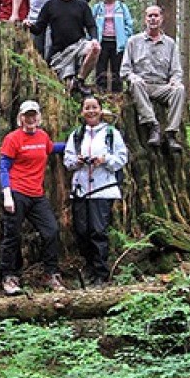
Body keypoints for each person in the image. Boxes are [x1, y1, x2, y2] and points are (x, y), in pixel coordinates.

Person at [0, 100, 67, 296]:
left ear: (39, 117)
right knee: (12, 235)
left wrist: (73, 144)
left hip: (36, 195)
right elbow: (4, 167)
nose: (31, 119)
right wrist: (7, 194)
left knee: (51, 231)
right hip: (17, 192)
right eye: (27, 116)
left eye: (34, 115)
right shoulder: (13, 138)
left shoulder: (42, 136)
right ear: (21, 118)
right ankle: (9, 277)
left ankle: (50, 274)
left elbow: (51, 148)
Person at [64, 96, 128, 287]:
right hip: (81, 190)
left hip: (103, 189)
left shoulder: (111, 133)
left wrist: (105, 160)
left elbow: (122, 158)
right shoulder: (76, 135)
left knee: (98, 232)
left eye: (94, 107)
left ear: (100, 110)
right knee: (81, 231)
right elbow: (68, 161)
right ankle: (89, 269)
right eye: (87, 108)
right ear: (82, 112)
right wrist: (78, 161)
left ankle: (101, 274)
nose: (91, 111)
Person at [120, 5, 185, 152]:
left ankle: (171, 133)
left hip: (162, 86)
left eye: (156, 16)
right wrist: (133, 77)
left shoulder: (170, 44)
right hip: (142, 86)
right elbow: (124, 70)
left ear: (161, 19)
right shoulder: (133, 41)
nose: (153, 19)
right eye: (150, 16)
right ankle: (153, 126)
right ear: (145, 19)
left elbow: (176, 70)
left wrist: (175, 80)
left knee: (179, 89)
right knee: (136, 85)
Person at [25, 0, 100, 96]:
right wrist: (29, 25)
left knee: (96, 48)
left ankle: (80, 80)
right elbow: (39, 28)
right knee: (67, 89)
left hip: (79, 46)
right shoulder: (50, 5)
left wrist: (94, 39)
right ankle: (72, 84)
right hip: (59, 53)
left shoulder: (82, 5)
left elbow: (91, 26)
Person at [92, 0, 134, 92]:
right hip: (102, 42)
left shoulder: (122, 7)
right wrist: (92, 39)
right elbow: (91, 24)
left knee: (118, 70)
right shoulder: (97, 8)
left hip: (117, 43)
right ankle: (100, 93)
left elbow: (129, 24)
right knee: (101, 69)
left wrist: (125, 38)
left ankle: (117, 95)